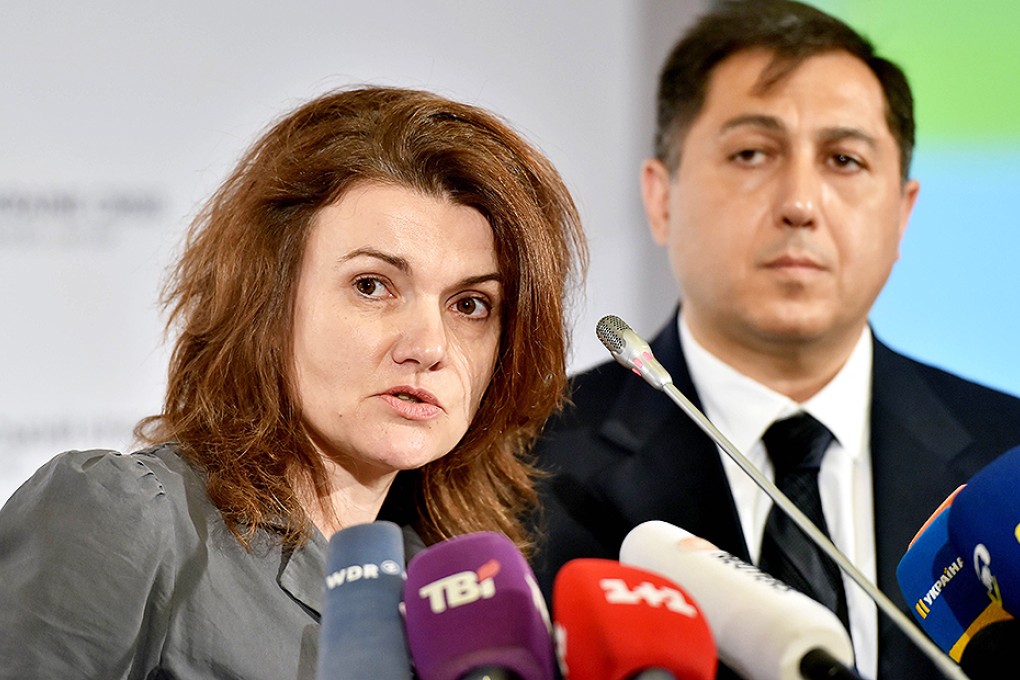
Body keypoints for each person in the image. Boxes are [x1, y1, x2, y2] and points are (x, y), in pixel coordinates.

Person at [0, 86, 587, 678]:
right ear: (270, 299)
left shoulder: (457, 606)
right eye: (372, 285)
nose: (429, 347)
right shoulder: (125, 519)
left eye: (470, 305)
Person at [531, 2, 1020, 679]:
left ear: (903, 213)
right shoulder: (520, 470)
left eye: (844, 159)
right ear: (660, 198)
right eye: (751, 153)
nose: (800, 202)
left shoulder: (1009, 458)